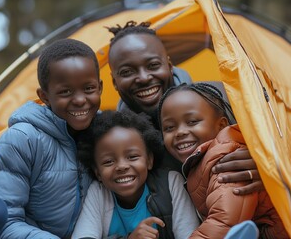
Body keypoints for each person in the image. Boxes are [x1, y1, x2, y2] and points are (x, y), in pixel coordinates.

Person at [0, 38, 103, 238]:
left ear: (100, 88)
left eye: (88, 89)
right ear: (44, 96)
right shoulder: (23, 139)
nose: (80, 100)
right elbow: (5, 222)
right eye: (65, 92)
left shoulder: (105, 134)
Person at [106, 21, 264, 195]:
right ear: (114, 81)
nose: (143, 78)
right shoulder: (115, 141)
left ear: (169, 65)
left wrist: (262, 165)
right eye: (127, 72)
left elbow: (280, 147)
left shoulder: (223, 97)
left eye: (153, 65)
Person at [158, 83, 289, 238]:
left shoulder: (225, 158)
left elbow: (225, 220)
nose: (180, 132)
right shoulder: (199, 162)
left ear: (221, 125)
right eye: (169, 128)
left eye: (192, 122)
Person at [72, 110, 200, 238]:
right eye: (109, 161)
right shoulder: (99, 192)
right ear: (97, 172)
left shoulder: (170, 183)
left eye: (132, 157)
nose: (121, 167)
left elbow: (190, 235)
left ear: (149, 160)